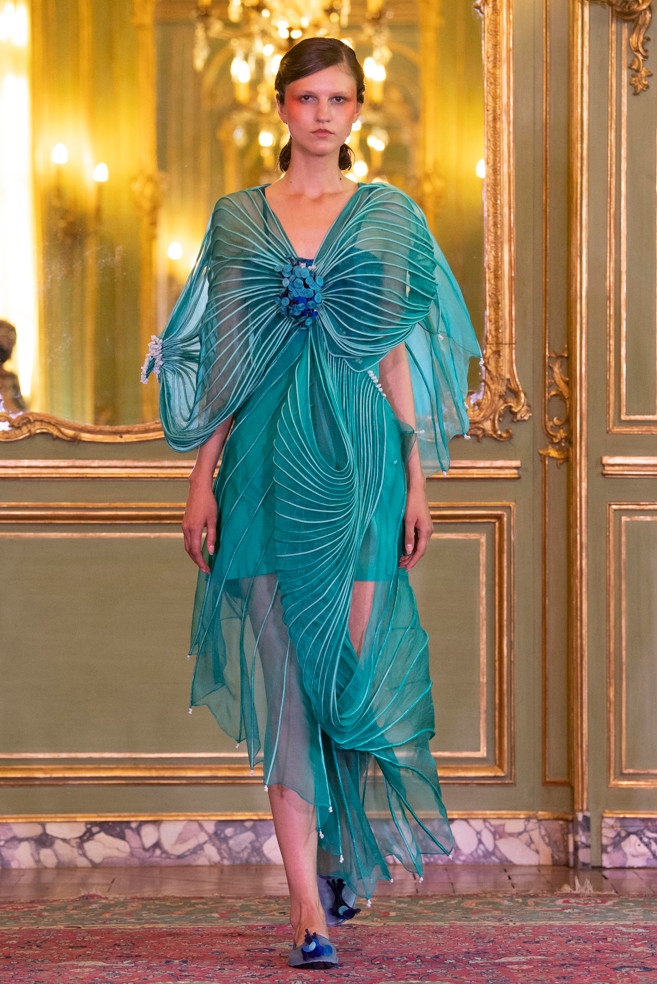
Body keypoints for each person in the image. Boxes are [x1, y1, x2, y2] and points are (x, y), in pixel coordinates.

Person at [142, 37, 481, 971]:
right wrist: (201, 475)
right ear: (281, 107)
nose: (322, 114)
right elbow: (226, 357)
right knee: (288, 691)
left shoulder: (386, 215)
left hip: (362, 464)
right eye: (306, 98)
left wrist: (415, 477)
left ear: (357, 111)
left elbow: (395, 353)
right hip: (260, 466)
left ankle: (334, 855)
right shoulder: (237, 218)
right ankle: (305, 911)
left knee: (344, 685)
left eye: (338, 99)